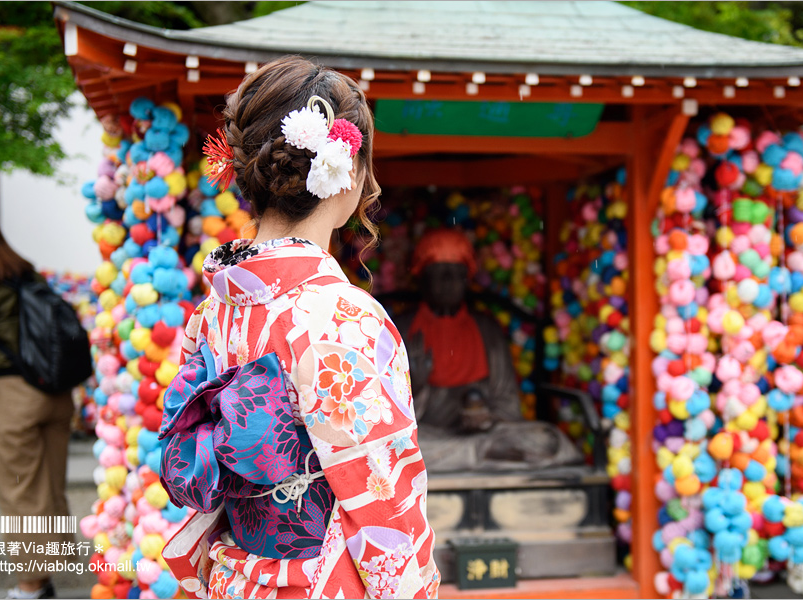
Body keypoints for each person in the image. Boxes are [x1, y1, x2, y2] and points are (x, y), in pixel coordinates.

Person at [158, 56, 439, 598]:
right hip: (317, 584)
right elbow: (385, 500)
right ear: (347, 171)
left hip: (235, 578)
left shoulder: (215, 307)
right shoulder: (344, 317)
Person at [393, 228, 582, 472]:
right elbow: (386, 417)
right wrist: (416, 389)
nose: (448, 283)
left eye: (456, 274)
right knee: (397, 447)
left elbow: (508, 406)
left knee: (547, 440)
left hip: (484, 437)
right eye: (439, 274)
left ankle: (473, 451)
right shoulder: (401, 329)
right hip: (429, 438)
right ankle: (477, 453)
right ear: (423, 279)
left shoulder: (487, 330)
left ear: (467, 279)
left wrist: (485, 417)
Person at [0, 209, 75, 600]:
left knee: (21, 495)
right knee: (50, 490)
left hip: (12, 399)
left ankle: (30, 587)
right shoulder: (24, 272)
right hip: (56, 395)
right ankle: (49, 578)